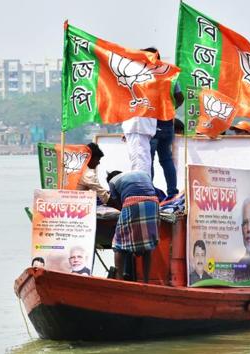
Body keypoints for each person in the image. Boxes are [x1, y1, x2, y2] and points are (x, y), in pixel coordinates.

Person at [106, 170, 159, 283]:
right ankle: (146, 281)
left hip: (133, 203)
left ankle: (119, 280)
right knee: (147, 244)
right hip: (154, 203)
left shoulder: (112, 182)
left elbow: (118, 203)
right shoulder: (142, 174)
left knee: (118, 243)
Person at [147, 48, 184, 199]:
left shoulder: (146, 76)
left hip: (152, 123)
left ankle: (149, 192)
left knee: (148, 159)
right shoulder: (170, 74)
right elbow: (180, 97)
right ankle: (172, 192)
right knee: (166, 159)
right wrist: (169, 109)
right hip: (168, 123)